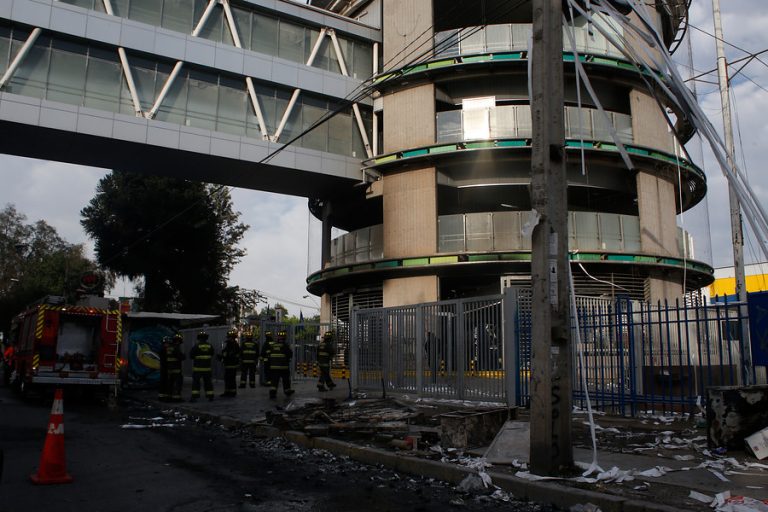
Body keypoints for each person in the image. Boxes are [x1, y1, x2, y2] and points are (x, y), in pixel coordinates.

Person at [261, 330, 294, 399]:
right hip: (283, 367)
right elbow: (290, 355)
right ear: (285, 338)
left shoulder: (273, 345)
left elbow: (269, 354)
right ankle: (287, 391)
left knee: (274, 381)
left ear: (278, 338)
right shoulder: (285, 346)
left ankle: (272, 393)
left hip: (274, 367)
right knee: (285, 380)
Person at [190, 330, 215, 402]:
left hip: (197, 369)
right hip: (207, 369)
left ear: (199, 338)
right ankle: (210, 396)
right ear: (206, 338)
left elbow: (191, 355)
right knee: (208, 383)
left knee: (196, 383)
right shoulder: (210, 346)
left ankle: (194, 397)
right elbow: (212, 354)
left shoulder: (196, 346)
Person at [219, 328, 241, 397]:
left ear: (231, 337)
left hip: (231, 365)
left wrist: (224, 356)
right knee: (228, 379)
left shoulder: (233, 345)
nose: (228, 338)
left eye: (229, 337)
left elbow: (229, 354)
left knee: (230, 379)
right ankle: (228, 392)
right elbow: (225, 353)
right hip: (229, 364)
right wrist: (222, 356)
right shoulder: (231, 344)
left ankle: (232, 392)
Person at [166, 333, 185, 402]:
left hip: (170, 369)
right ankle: (177, 398)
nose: (180, 343)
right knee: (178, 383)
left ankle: (169, 397)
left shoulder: (169, 347)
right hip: (176, 369)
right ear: (178, 341)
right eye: (180, 341)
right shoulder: (176, 347)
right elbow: (180, 356)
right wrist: (183, 356)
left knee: (170, 384)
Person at [157, 336, 171, 401]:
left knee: (165, 382)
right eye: (167, 343)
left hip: (165, 367)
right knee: (163, 382)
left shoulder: (163, 349)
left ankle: (163, 396)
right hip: (164, 368)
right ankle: (162, 396)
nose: (168, 344)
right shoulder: (163, 349)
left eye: (168, 343)